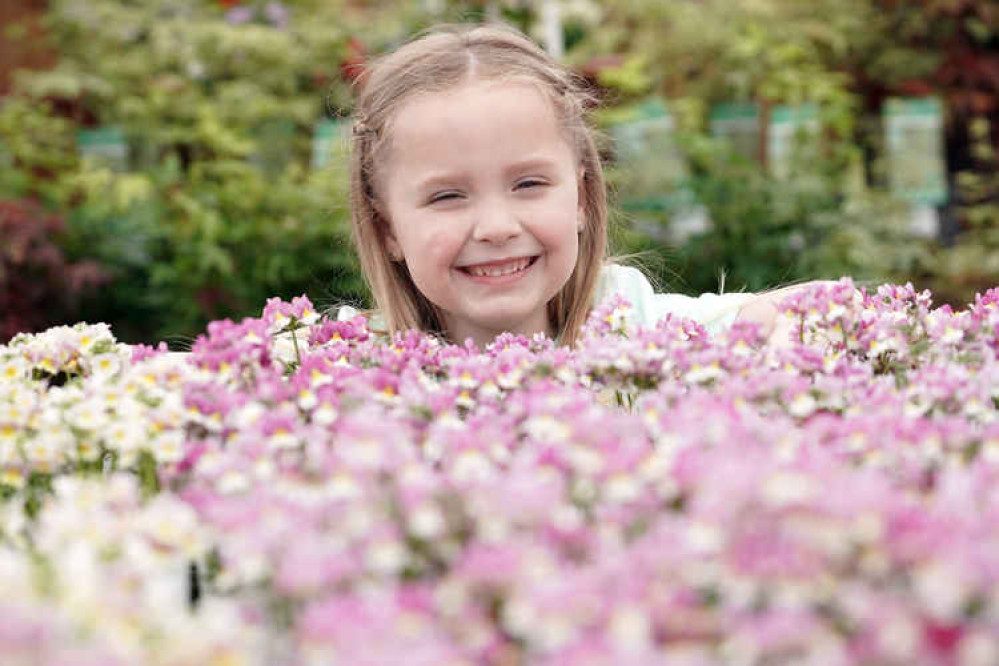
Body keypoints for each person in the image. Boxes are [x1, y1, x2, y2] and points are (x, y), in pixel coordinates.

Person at [340, 23, 810, 349]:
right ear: (389, 231)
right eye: (447, 196)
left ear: (581, 198)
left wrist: (775, 331)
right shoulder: (350, 364)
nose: (497, 227)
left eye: (528, 184)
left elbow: (815, 310)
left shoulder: (632, 326)